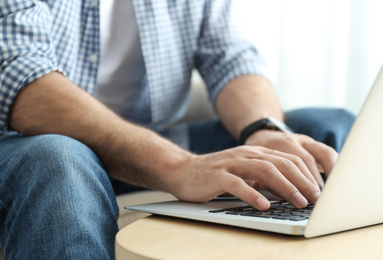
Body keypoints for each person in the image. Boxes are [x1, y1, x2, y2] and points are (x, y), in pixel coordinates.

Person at [0, 0, 355, 259]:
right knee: (59, 160)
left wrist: (264, 132)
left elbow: (232, 57)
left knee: (326, 128)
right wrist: (180, 167)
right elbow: (21, 75)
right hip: (28, 145)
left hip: (156, 137)